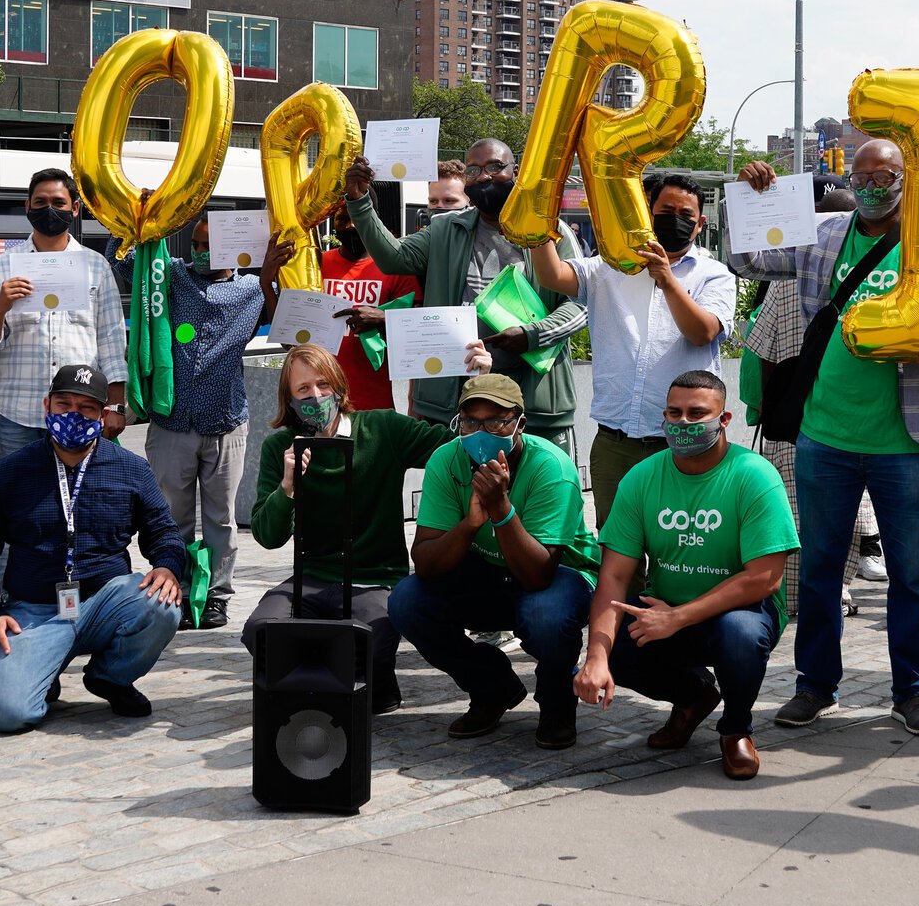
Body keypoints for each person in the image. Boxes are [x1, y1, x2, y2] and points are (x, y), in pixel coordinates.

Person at [732, 140, 919, 739]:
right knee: (820, 570)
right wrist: (753, 198)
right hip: (825, 436)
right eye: (863, 175)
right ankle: (815, 686)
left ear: (908, 179)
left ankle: (914, 691)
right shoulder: (823, 235)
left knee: (910, 576)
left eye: (886, 175)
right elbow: (752, 262)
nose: (874, 184)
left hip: (904, 439)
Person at [578, 370, 799, 780]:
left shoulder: (754, 475)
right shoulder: (641, 479)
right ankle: (695, 697)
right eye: (674, 413)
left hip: (740, 610)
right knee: (619, 652)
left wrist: (679, 617)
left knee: (741, 636)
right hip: (666, 608)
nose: (683, 423)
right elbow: (614, 577)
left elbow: (764, 578)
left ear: (724, 419)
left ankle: (736, 729)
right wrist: (594, 657)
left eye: (697, 414)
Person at [0, 365, 188, 733]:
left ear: (104, 415)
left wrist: (167, 567)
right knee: (6, 713)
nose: (73, 415)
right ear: (46, 405)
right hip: (33, 611)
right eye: (63, 404)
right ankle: (41, 671)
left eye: (86, 408)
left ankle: (110, 678)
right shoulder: (9, 471)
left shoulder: (132, 469)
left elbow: (163, 533)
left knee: (161, 603)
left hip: (105, 604)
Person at [389, 373, 600, 748]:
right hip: (487, 572)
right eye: (471, 421)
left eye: (496, 420)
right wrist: (470, 524)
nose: (481, 431)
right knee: (408, 601)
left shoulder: (551, 467)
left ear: (520, 422)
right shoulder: (447, 459)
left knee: (545, 615)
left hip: (560, 574)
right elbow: (425, 561)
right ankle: (492, 687)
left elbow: (537, 575)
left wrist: (501, 509)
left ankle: (556, 705)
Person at [341, 139, 588, 450]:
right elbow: (394, 257)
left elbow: (581, 303)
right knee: (461, 493)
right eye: (473, 170)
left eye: (495, 167)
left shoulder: (551, 231)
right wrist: (360, 201)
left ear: (515, 170)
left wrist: (531, 335)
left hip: (533, 401)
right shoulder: (445, 229)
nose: (484, 177)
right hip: (459, 401)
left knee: (535, 492)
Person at [245, 345, 454, 711]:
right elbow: (267, 535)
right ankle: (323, 685)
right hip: (310, 578)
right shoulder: (281, 446)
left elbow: (450, 446)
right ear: (289, 398)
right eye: (304, 389)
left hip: (373, 577)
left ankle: (371, 678)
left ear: (340, 387)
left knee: (371, 639)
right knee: (261, 631)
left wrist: (476, 380)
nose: (317, 396)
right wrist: (287, 488)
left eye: (324, 385)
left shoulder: (381, 428)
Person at [530, 170, 736, 524]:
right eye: (666, 210)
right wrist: (535, 222)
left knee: (678, 540)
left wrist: (667, 280)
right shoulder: (609, 266)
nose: (676, 221)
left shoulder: (714, 274)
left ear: (700, 224)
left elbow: (702, 332)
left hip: (681, 439)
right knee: (615, 542)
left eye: (686, 216)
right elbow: (552, 275)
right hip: (614, 441)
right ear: (648, 212)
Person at [144, 215, 291, 630]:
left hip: (225, 419)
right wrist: (141, 225)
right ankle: (175, 588)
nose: (200, 253)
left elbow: (288, 335)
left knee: (220, 520)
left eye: (209, 245)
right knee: (171, 516)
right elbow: (124, 264)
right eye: (195, 244)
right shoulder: (170, 275)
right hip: (171, 418)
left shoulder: (251, 287)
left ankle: (215, 595)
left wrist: (268, 278)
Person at [738, 178, 872, 616]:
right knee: (843, 513)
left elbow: (763, 350)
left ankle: (800, 596)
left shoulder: (791, 276)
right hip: (845, 420)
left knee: (798, 511)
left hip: (799, 419)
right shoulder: (883, 270)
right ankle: (833, 590)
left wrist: (769, 412)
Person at [0, 168, 129, 459]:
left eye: (58, 203)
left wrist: (117, 407)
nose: (49, 209)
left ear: (75, 209)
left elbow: (111, 340)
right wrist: (2, 305)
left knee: (78, 498)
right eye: (41, 202)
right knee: (20, 501)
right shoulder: (0, 267)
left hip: (80, 412)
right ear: (27, 207)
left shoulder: (95, 267)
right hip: (19, 416)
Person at [318, 214, 419, 413]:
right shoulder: (317, 265)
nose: (351, 225)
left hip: (374, 402)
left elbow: (418, 329)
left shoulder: (396, 267)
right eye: (342, 219)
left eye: (357, 217)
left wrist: (382, 319)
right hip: (321, 399)